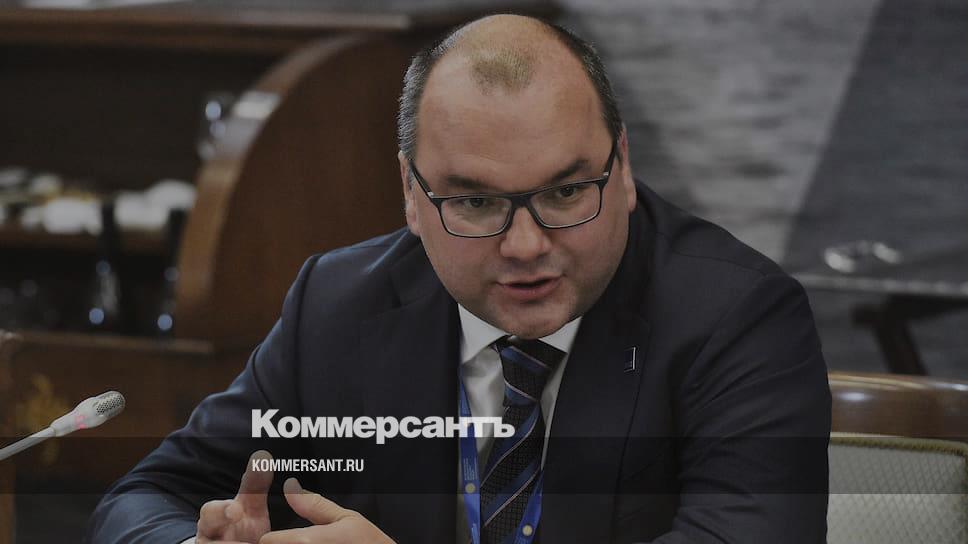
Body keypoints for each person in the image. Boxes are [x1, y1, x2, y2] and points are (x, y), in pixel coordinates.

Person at [88, 14, 830, 544]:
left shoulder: (738, 318)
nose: (527, 245)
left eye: (566, 191)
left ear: (624, 168)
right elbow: (146, 497)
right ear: (411, 196)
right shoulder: (339, 304)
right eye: (475, 203)